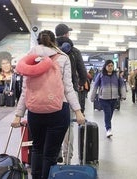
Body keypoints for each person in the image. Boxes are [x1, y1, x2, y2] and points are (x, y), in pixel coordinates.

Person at [11, 30, 85, 179]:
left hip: (35, 111)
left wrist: (18, 115)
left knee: (37, 149)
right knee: (51, 153)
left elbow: (25, 91)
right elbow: (68, 88)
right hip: (58, 110)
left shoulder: (29, 60)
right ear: (55, 42)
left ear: (38, 41)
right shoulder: (63, 58)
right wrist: (78, 111)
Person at [55, 23, 87, 164]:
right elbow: (83, 74)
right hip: (69, 92)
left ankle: (55, 155)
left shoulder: (50, 49)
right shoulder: (74, 51)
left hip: (51, 92)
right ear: (67, 34)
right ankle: (68, 159)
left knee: (53, 125)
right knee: (69, 125)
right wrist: (79, 85)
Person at [90, 60, 126, 138]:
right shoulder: (101, 75)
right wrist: (92, 97)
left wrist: (123, 95)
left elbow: (122, 85)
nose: (110, 67)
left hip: (114, 98)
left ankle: (107, 125)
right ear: (105, 66)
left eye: (111, 66)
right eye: (108, 66)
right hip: (103, 98)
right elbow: (95, 86)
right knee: (107, 113)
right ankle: (108, 129)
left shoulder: (116, 75)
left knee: (110, 114)